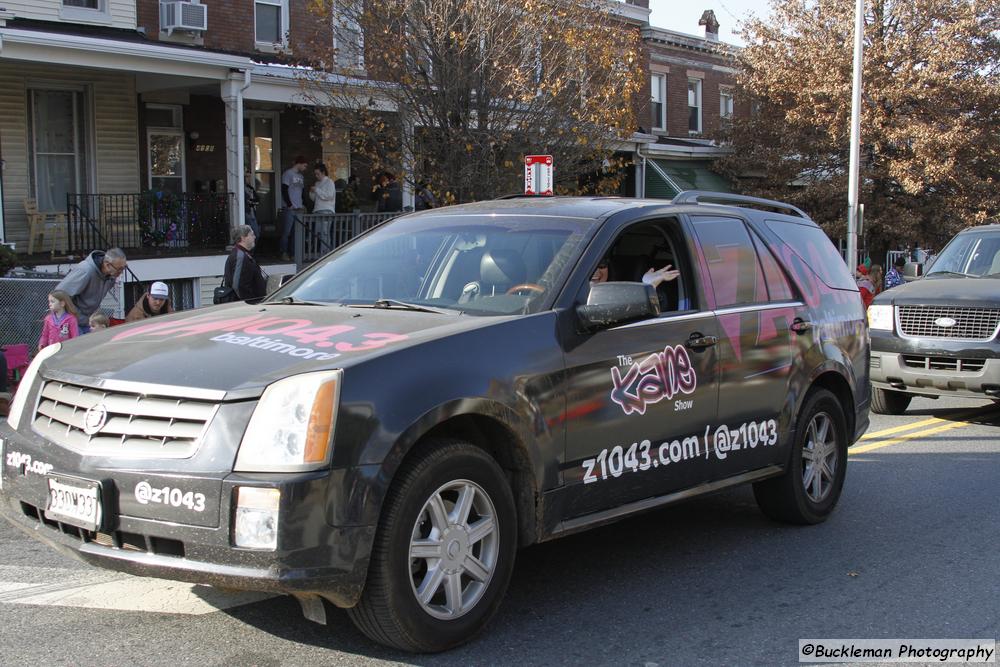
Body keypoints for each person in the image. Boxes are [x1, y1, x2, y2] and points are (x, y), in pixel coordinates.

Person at [55, 248, 127, 334]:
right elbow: (59, 295)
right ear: (107, 265)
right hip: (72, 322)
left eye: (124, 268)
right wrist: (74, 317)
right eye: (119, 269)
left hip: (87, 321)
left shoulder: (110, 277)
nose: (121, 272)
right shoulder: (85, 270)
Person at [224, 225, 267, 301]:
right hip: (247, 307)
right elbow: (238, 286)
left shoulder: (242, 254)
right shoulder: (240, 256)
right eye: (252, 234)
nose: (254, 237)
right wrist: (250, 303)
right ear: (243, 238)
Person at [280, 156, 309, 261]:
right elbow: (284, 190)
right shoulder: (288, 174)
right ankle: (284, 252)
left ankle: (293, 253)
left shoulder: (301, 177)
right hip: (290, 208)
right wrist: (289, 204)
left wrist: (304, 204)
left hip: (299, 208)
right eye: (304, 165)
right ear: (299, 163)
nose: (305, 168)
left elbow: (302, 192)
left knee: (296, 233)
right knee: (286, 232)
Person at [244, 171, 261, 237]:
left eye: (250, 177)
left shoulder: (250, 188)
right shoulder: (240, 188)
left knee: (256, 234)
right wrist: (250, 201)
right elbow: (246, 200)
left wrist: (252, 201)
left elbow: (257, 199)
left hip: (252, 213)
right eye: (247, 177)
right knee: (253, 234)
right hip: (246, 213)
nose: (249, 179)